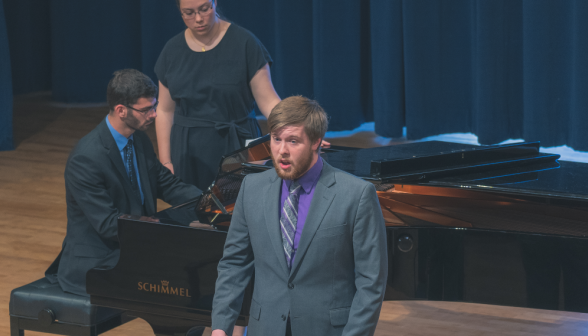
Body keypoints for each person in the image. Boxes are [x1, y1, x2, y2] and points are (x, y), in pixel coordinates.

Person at [210, 96, 388, 336]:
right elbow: (234, 264)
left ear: (316, 142)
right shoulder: (251, 188)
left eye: (293, 141)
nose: (282, 151)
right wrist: (221, 327)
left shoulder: (356, 195)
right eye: (276, 139)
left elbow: (370, 282)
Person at [45, 69, 201, 297]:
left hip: (133, 245)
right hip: (98, 261)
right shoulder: (86, 158)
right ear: (121, 111)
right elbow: (108, 223)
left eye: (154, 106)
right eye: (146, 109)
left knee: (194, 268)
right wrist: (161, 229)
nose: (154, 114)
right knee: (178, 284)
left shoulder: (139, 140)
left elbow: (169, 185)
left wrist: (211, 200)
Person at [154, 0, 282, 191]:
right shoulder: (171, 50)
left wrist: (298, 128)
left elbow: (269, 100)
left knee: (241, 211)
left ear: (215, 3)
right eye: (188, 13)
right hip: (188, 152)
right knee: (192, 215)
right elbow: (164, 111)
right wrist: (165, 162)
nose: (198, 19)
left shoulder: (245, 43)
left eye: (204, 9)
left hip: (236, 145)